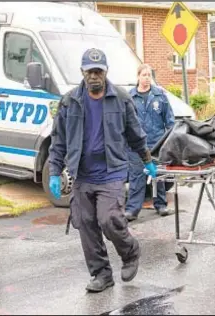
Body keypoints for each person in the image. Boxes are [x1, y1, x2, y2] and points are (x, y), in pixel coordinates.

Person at [48, 48, 157, 293]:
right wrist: (55, 171)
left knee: (109, 219)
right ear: (82, 72)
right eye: (89, 71)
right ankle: (101, 274)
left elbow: (135, 134)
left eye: (98, 71)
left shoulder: (120, 99)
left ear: (106, 71)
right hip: (82, 174)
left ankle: (130, 252)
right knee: (85, 223)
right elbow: (59, 141)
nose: (94, 76)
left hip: (111, 172)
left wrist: (147, 159)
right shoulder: (69, 102)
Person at [124, 64, 175, 222]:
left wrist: (169, 140)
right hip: (135, 145)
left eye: (149, 75)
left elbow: (170, 121)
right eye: (144, 75)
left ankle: (160, 204)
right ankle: (132, 209)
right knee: (136, 176)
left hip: (156, 143)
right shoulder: (129, 97)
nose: (146, 78)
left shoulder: (160, 96)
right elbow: (124, 122)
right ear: (138, 76)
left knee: (158, 175)